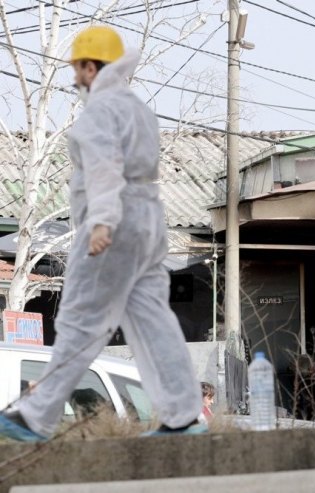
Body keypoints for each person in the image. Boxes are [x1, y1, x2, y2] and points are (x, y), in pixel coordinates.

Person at [0, 26, 205, 442]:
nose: (74, 77)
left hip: (113, 225)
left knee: (80, 320)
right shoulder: (137, 108)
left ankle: (34, 417)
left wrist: (102, 223)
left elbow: (104, 168)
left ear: (92, 68)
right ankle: (183, 416)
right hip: (148, 223)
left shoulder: (100, 111)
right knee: (153, 323)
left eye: (78, 68)